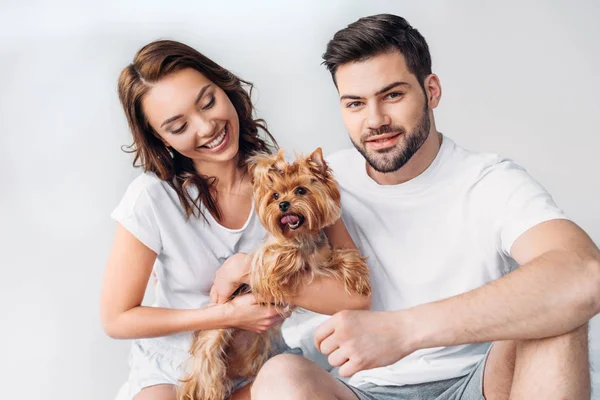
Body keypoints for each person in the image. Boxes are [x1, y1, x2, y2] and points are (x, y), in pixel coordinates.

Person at [250, 14, 600, 400]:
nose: (375, 120)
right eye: (355, 103)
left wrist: (404, 330)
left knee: (558, 311)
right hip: (363, 391)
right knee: (280, 375)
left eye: (393, 95)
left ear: (431, 90)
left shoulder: (488, 181)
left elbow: (585, 274)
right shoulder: (319, 185)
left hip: (482, 382)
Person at [100, 39, 370, 400]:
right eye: (178, 126)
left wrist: (249, 270)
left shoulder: (287, 182)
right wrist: (226, 315)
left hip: (259, 364)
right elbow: (117, 318)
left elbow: (355, 298)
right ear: (160, 139)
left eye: (208, 101)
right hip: (177, 369)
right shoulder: (152, 198)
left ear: (226, 87)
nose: (207, 127)